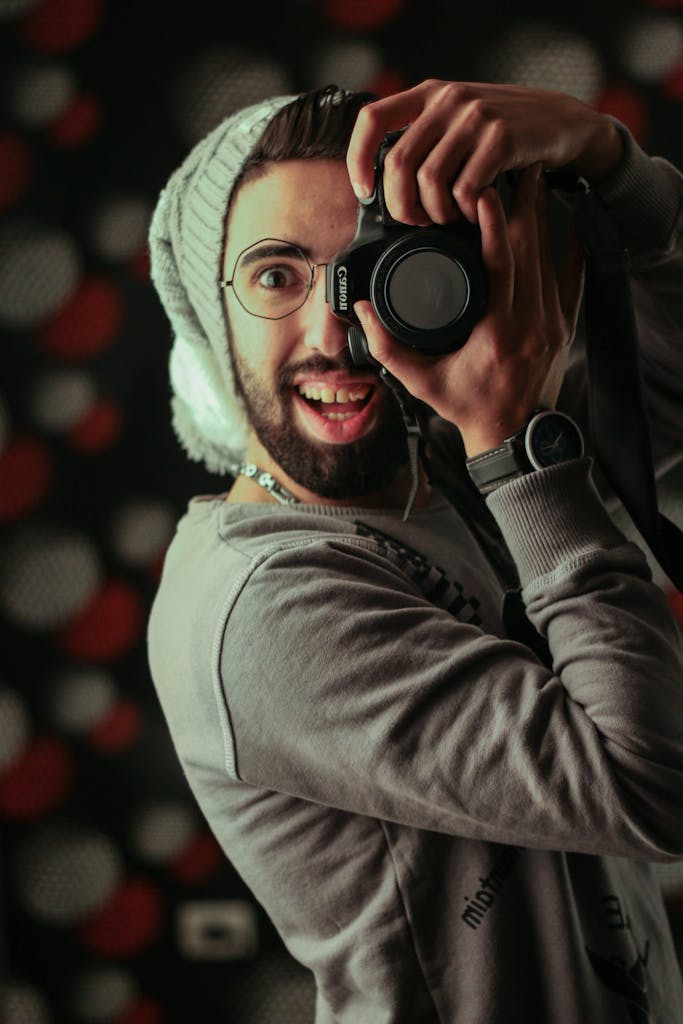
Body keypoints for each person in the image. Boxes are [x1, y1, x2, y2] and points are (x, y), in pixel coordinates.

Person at [147, 78, 683, 1022]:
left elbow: (669, 418)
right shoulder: (260, 604)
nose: (336, 333)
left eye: (364, 264)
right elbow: (654, 787)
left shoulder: (443, 466)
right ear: (211, 318)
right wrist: (516, 439)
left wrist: (610, 166)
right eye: (276, 275)